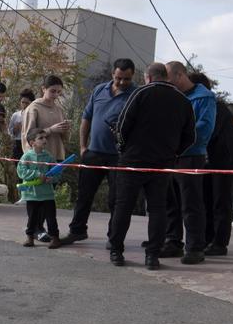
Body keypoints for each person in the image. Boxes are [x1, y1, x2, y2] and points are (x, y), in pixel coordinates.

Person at [108, 63, 195, 270]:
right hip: (162, 163)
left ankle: (116, 251)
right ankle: (152, 256)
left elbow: (122, 125)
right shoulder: (183, 101)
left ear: (148, 77)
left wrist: (123, 149)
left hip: (133, 161)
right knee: (158, 210)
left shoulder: (140, 94)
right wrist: (174, 154)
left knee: (123, 207)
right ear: (166, 77)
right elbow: (190, 136)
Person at [60, 59, 136, 246]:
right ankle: (77, 231)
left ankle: (114, 237)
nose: (121, 83)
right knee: (84, 195)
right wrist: (83, 147)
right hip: (93, 153)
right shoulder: (99, 90)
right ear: (112, 74)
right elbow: (86, 118)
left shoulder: (136, 94)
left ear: (132, 76)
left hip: (118, 157)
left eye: (126, 79)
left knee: (116, 199)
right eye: (118, 78)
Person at [163, 61, 216, 263]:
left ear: (179, 76)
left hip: (191, 155)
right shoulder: (171, 96)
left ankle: (195, 247)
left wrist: (176, 137)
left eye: (168, 79)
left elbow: (204, 128)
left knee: (190, 203)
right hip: (170, 156)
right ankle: (172, 241)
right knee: (170, 202)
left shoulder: (205, 97)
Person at [189, 73, 233, 256]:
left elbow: (208, 133)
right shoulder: (211, 106)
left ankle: (219, 243)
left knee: (221, 202)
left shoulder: (215, 107)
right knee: (207, 201)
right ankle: (207, 239)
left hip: (223, 163)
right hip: (210, 162)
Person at [18, 129, 62, 248]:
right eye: (40, 138)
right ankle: (30, 237)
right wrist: (37, 174)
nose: (44, 140)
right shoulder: (26, 156)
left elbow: (57, 174)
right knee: (32, 217)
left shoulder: (49, 157)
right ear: (32, 142)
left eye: (45, 137)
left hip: (47, 194)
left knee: (51, 217)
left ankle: (55, 238)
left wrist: (50, 179)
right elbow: (21, 172)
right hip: (31, 194)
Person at [21, 75, 69, 160]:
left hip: (57, 156)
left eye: (59, 92)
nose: (56, 95)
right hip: (40, 157)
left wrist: (66, 130)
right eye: (53, 91)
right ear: (44, 89)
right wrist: (50, 130)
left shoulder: (59, 109)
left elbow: (65, 138)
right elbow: (28, 137)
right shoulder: (33, 108)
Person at [8, 89, 36, 161]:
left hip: (30, 143)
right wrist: (15, 129)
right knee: (18, 164)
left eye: (27, 103)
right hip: (18, 143)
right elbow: (10, 132)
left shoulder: (34, 115)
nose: (24, 105)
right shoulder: (16, 115)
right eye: (22, 102)